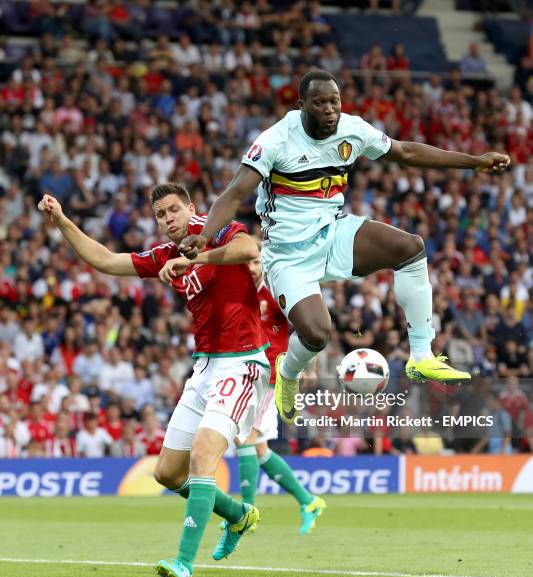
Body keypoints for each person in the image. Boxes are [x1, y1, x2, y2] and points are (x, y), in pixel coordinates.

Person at [180, 69, 511, 424]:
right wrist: (206, 234)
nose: (329, 109)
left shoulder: (353, 130)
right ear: (301, 105)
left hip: (332, 231)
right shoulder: (276, 141)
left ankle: (420, 355)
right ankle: (288, 373)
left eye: (334, 101)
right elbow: (234, 194)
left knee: (411, 248)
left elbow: (407, 153)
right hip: (287, 255)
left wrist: (473, 162)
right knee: (317, 333)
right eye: (320, 102)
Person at [37, 183, 270, 577]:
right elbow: (106, 261)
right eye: (161, 214)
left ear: (192, 208)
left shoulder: (214, 230)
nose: (168, 219)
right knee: (166, 473)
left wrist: (199, 257)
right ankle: (237, 515)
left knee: (202, 458)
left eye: (174, 210)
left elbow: (250, 249)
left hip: (243, 361)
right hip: (204, 368)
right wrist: (61, 221)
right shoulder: (165, 254)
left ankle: (183, 563)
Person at [235, 246, 326, 535]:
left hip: (270, 374)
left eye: (254, 261)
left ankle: (246, 512)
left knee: (244, 438)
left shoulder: (274, 292)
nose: (250, 267)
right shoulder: (241, 292)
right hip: (250, 374)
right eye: (246, 262)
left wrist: (307, 366)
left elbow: (308, 325)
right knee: (258, 449)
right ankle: (308, 501)